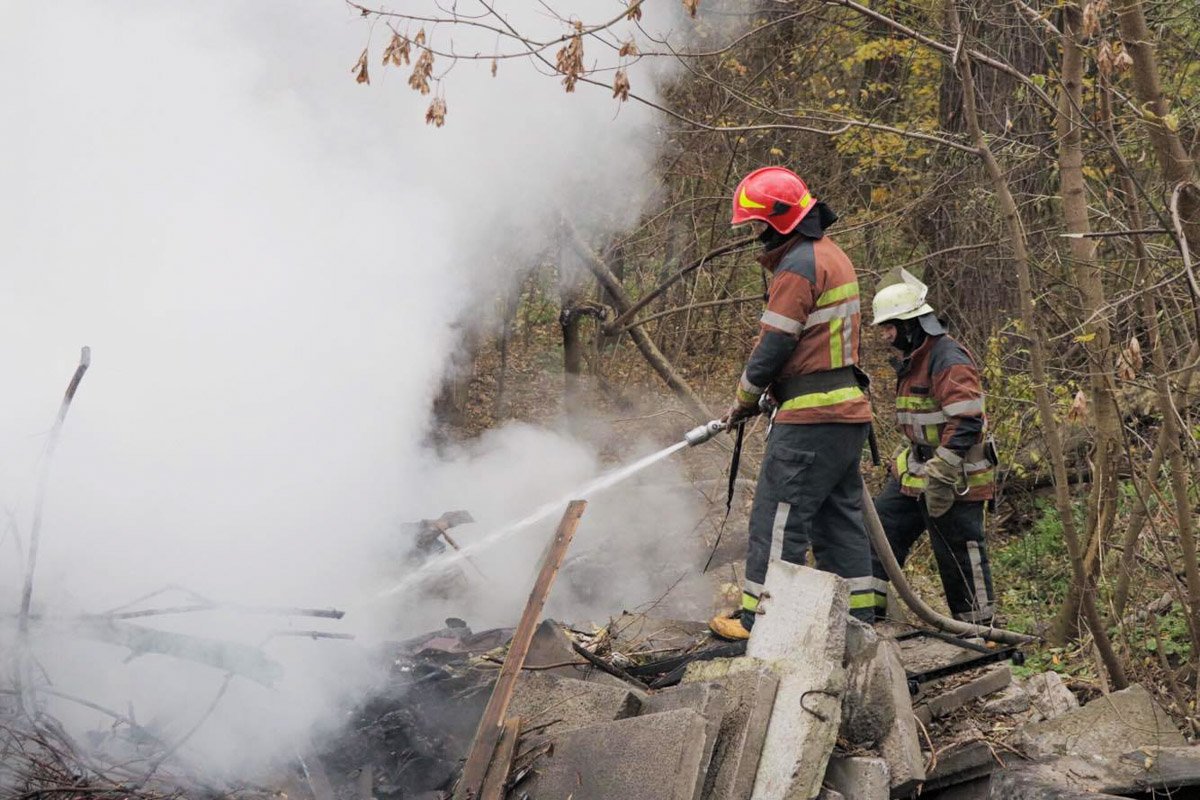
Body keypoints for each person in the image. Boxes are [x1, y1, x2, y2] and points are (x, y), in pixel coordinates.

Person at [709, 166, 876, 641]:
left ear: (778, 221)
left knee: (778, 517)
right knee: (838, 519)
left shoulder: (798, 265)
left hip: (810, 419)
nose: (756, 236)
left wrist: (744, 398)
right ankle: (857, 623)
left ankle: (760, 622)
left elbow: (775, 344)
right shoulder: (830, 255)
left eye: (758, 226)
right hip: (845, 414)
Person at [868, 269, 997, 625]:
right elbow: (920, 422)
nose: (885, 335)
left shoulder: (948, 358)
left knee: (959, 556)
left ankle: (981, 634)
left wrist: (941, 471)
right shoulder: (914, 360)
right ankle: (868, 617)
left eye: (890, 326)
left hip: (956, 476)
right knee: (878, 533)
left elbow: (967, 420)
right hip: (916, 472)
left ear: (911, 324)